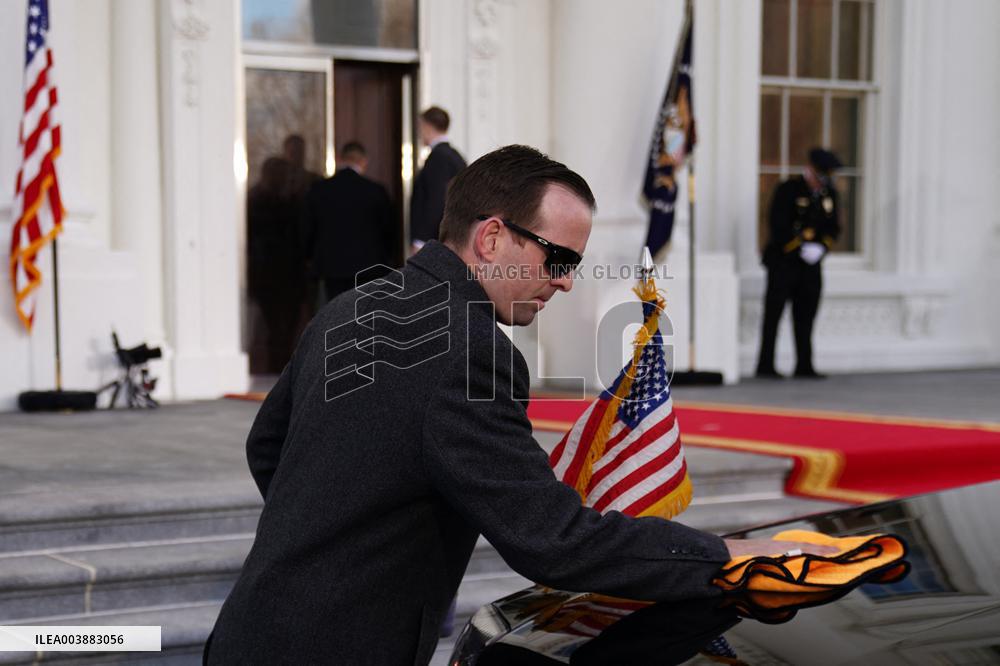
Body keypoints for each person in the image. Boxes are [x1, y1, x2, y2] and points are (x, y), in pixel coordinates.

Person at [205, 145, 835, 665]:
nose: (565, 281)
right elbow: (552, 540)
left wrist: (335, 531)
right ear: (492, 238)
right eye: (558, 259)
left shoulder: (353, 306)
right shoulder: (474, 352)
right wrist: (725, 557)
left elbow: (268, 447)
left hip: (250, 631)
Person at [756, 147, 842, 380]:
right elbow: (777, 223)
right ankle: (765, 365)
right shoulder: (789, 189)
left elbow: (833, 227)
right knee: (774, 314)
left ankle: (804, 364)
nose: (825, 180)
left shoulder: (828, 195)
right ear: (812, 170)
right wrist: (798, 245)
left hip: (810, 265)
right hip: (784, 262)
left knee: (806, 314)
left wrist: (821, 247)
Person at [299, 141, 396, 302]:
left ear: (339, 159)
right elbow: (388, 231)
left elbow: (307, 229)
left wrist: (309, 257)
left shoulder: (319, 190)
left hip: (330, 267)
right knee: (364, 316)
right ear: (364, 161)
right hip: (369, 267)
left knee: (334, 316)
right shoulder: (376, 191)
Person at [246, 156, 300, 374]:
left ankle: (284, 369)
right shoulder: (257, 199)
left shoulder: (290, 199)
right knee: (273, 328)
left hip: (289, 275)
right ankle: (276, 369)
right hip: (267, 275)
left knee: (287, 329)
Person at [410, 106, 467, 253]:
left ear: (427, 126)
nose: (419, 132)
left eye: (420, 126)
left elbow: (435, 200)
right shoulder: (454, 155)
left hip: (436, 239)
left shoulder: (438, 157)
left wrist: (421, 240)